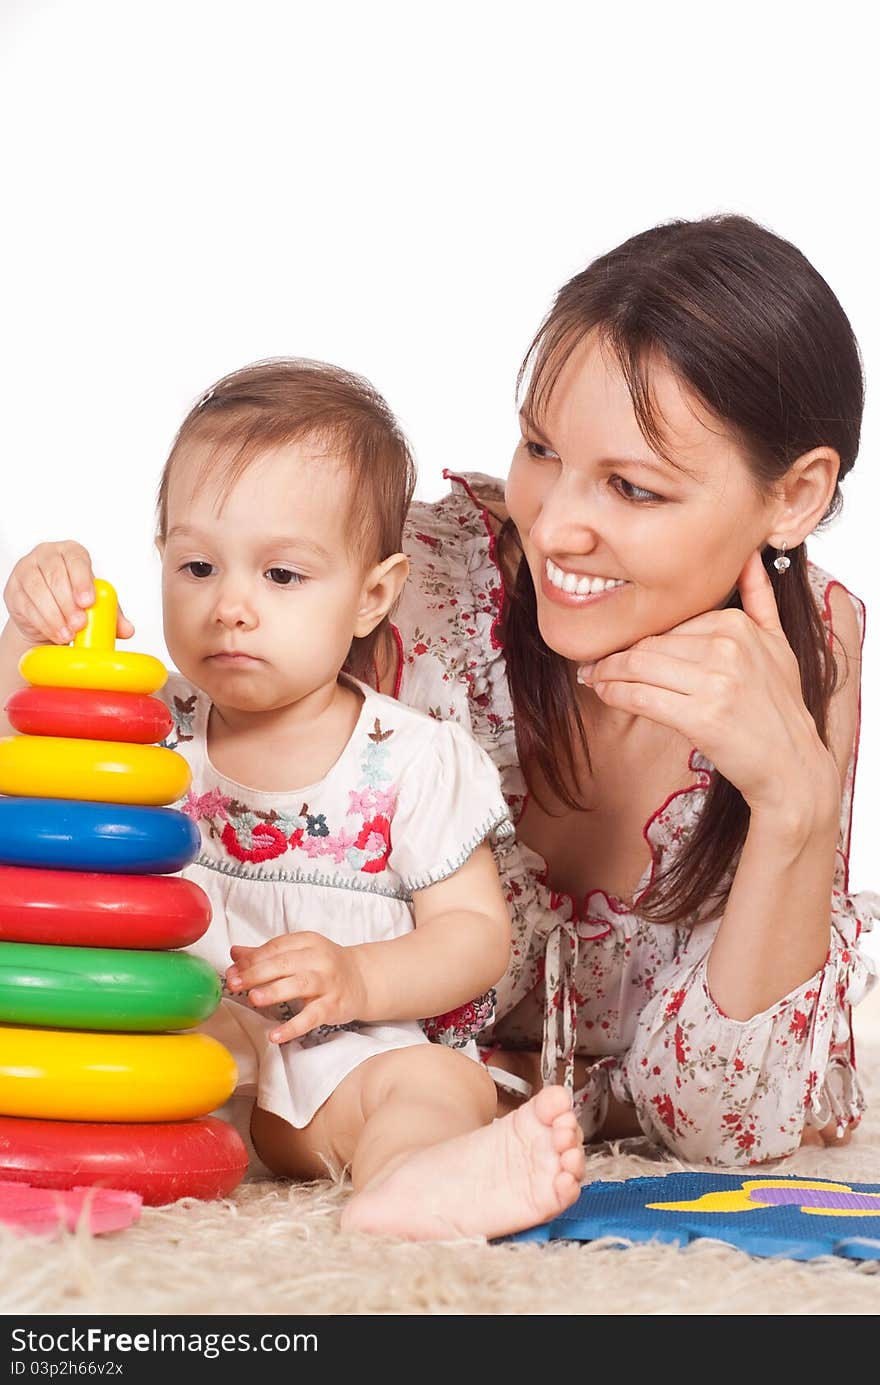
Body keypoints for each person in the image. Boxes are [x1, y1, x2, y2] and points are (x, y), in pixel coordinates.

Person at [0, 359, 586, 1240]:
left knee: (441, 1085)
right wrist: (35, 620)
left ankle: (410, 1185)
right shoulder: (147, 727)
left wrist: (357, 977)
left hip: (338, 1068)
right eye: (197, 564)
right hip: (153, 1063)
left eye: (282, 576)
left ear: (372, 595)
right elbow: (25, 726)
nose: (230, 605)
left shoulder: (414, 757)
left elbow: (475, 936)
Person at [375, 214, 879, 1164]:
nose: (558, 526)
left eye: (634, 489)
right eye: (541, 449)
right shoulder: (419, 586)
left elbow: (718, 1121)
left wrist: (795, 803)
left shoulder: (818, 651)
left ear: (797, 496)